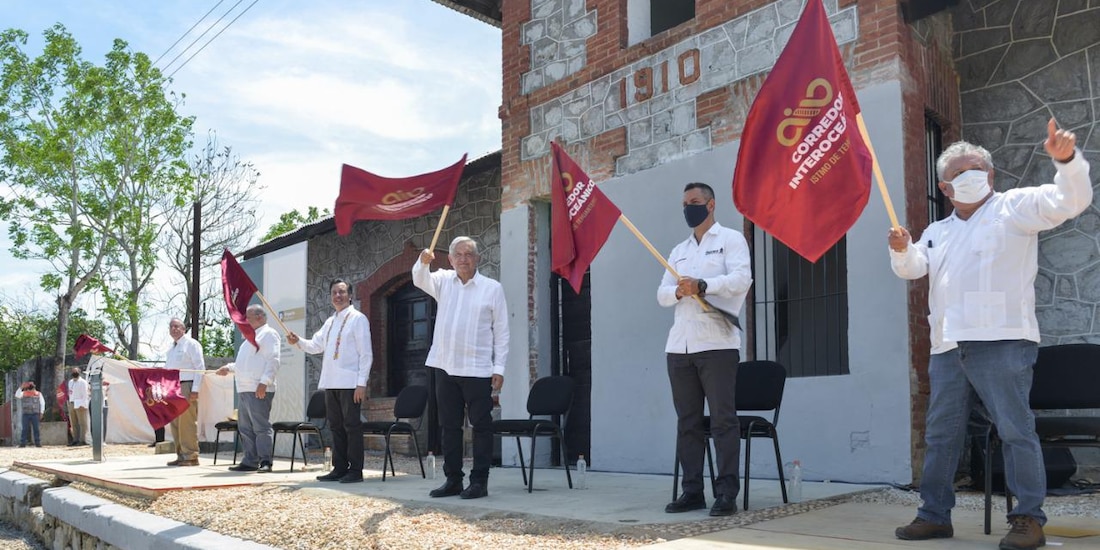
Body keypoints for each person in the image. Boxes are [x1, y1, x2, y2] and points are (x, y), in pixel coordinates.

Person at [889, 119, 1091, 550]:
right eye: (960, 173)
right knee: (942, 435)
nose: (970, 177)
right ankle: (934, 515)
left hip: (1002, 340)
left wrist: (1067, 162)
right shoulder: (937, 232)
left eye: (978, 168)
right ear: (945, 188)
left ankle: (1027, 519)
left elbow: (1070, 200)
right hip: (947, 346)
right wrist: (901, 248)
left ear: (992, 175)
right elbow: (911, 270)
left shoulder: (1014, 207)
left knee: (1016, 430)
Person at [658, 182, 752, 517]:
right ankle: (692, 491)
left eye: (694, 202)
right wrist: (681, 292)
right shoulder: (679, 249)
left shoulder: (730, 240)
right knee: (688, 422)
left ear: (711, 205)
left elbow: (742, 280)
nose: (688, 208)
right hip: (680, 346)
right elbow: (662, 294)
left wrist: (703, 285)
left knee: (724, 421)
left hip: (717, 344)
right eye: (684, 203)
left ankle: (726, 492)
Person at [413, 236, 509, 500]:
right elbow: (419, 279)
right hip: (444, 365)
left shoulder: (492, 288)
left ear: (477, 258)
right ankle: (453, 479)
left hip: (478, 369)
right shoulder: (443, 280)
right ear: (450, 259)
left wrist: (498, 367)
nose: (464, 259)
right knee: (450, 427)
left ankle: (479, 481)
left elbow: (501, 332)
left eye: (469, 254)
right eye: (459, 254)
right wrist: (422, 263)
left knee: (481, 426)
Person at [287, 279, 373, 483]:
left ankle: (355, 470)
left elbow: (366, 353)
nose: (338, 296)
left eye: (342, 292)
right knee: (335, 426)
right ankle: (339, 467)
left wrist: (362, 383)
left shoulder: (358, 319)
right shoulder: (330, 321)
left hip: (350, 383)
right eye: (334, 292)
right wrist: (297, 341)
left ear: (350, 295)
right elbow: (315, 345)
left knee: (352, 426)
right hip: (331, 382)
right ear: (330, 297)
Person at [217, 305, 281, 473]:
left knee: (261, 426)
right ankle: (250, 460)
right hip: (244, 388)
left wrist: (264, 382)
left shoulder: (269, 334)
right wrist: (229, 368)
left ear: (260, 317)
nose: (246, 320)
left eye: (249, 317)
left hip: (258, 388)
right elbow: (243, 364)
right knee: (245, 427)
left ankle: (265, 461)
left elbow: (273, 360)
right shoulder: (248, 338)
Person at [165, 317, 205, 466]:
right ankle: (181, 454)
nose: (174, 329)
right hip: (173, 387)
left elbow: (200, 367)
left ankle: (191, 456)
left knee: (187, 422)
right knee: (175, 423)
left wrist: (195, 389)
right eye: (171, 327)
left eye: (177, 326)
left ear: (183, 329)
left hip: (187, 385)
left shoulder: (191, 344)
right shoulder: (171, 349)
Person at [15, 381, 45, 447]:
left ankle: (37, 443)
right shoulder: (23, 393)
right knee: (25, 429)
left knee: (36, 429)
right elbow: (17, 395)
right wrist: (21, 387)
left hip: (35, 414)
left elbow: (42, 403)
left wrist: (41, 412)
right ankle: (23, 443)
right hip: (26, 414)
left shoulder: (38, 394)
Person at [66, 367, 91, 446]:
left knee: (82, 423)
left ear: (79, 372)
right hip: (72, 403)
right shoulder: (70, 382)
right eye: (73, 371)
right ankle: (75, 439)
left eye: (76, 371)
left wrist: (83, 404)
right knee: (74, 423)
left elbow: (85, 394)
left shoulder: (83, 382)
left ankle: (82, 440)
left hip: (80, 403)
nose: (74, 372)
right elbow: (70, 392)